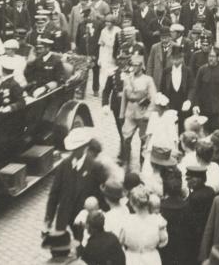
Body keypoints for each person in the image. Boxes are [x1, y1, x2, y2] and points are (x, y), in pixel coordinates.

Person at [43, 128, 105, 256]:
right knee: (58, 252)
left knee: (83, 251)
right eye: (72, 149)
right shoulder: (63, 165)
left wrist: (98, 216)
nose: (73, 152)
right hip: (64, 216)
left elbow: (100, 195)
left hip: (83, 220)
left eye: (77, 148)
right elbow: (54, 194)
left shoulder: (95, 167)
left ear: (84, 147)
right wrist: (48, 219)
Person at [119, 54, 157, 168]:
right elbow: (124, 98)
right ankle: (126, 162)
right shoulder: (127, 80)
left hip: (142, 114)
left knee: (144, 140)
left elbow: (153, 98)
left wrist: (148, 113)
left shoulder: (148, 80)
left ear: (141, 66)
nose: (134, 68)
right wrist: (121, 114)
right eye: (132, 65)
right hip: (130, 113)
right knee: (126, 138)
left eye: (136, 65)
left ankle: (142, 164)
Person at [119, 184, 168, 265]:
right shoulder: (157, 220)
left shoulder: (126, 220)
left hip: (132, 259)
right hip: (152, 259)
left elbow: (120, 242)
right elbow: (163, 242)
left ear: (132, 203)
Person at [160, 44, 193, 133]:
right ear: (171, 59)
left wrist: (189, 100)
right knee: (170, 128)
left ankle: (182, 146)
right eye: (174, 58)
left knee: (183, 128)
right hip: (170, 103)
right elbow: (162, 88)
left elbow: (191, 87)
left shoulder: (188, 71)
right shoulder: (166, 71)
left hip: (183, 103)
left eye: (178, 58)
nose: (176, 60)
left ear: (182, 58)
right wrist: (162, 99)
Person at [191, 47, 219, 133]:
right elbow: (196, 89)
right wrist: (195, 105)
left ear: (218, 58)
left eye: (213, 56)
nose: (211, 58)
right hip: (204, 110)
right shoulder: (202, 70)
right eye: (210, 56)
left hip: (218, 111)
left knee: (217, 135)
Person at [186, 165, 216, 260]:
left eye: (189, 179)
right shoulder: (210, 190)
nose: (188, 181)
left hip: (196, 234)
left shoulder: (194, 197)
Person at [146, 26, 171, 92]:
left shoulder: (176, 46)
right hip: (157, 78)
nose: (164, 40)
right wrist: (149, 79)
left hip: (170, 79)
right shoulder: (154, 47)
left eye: (166, 38)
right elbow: (150, 65)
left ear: (170, 37)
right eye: (162, 38)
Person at [98, 14, 120, 90]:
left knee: (113, 71)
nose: (107, 24)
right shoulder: (103, 31)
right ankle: (104, 88)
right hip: (105, 53)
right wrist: (100, 58)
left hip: (114, 53)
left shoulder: (118, 30)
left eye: (109, 22)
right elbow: (101, 45)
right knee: (104, 71)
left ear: (113, 23)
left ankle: (114, 87)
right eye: (106, 22)